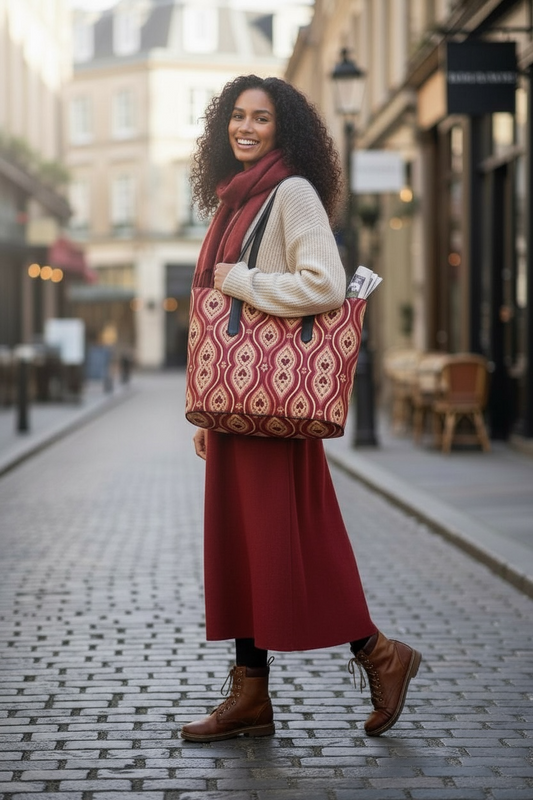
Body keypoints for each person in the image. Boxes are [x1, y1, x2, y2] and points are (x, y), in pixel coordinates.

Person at [181, 75, 421, 743]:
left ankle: (378, 653)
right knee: (241, 549)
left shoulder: (291, 193)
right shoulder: (233, 200)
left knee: (287, 546)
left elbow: (325, 285)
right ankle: (251, 695)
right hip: (239, 406)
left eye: (260, 118)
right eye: (237, 116)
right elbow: (211, 324)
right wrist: (203, 411)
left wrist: (242, 280)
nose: (246, 127)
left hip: (274, 405)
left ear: (282, 128)